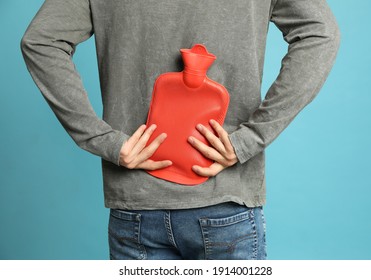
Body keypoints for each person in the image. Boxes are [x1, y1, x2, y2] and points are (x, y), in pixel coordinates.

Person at [21, 0, 340, 260]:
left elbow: (40, 40)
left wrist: (103, 140)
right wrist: (249, 140)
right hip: (226, 201)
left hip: (136, 208)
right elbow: (321, 32)